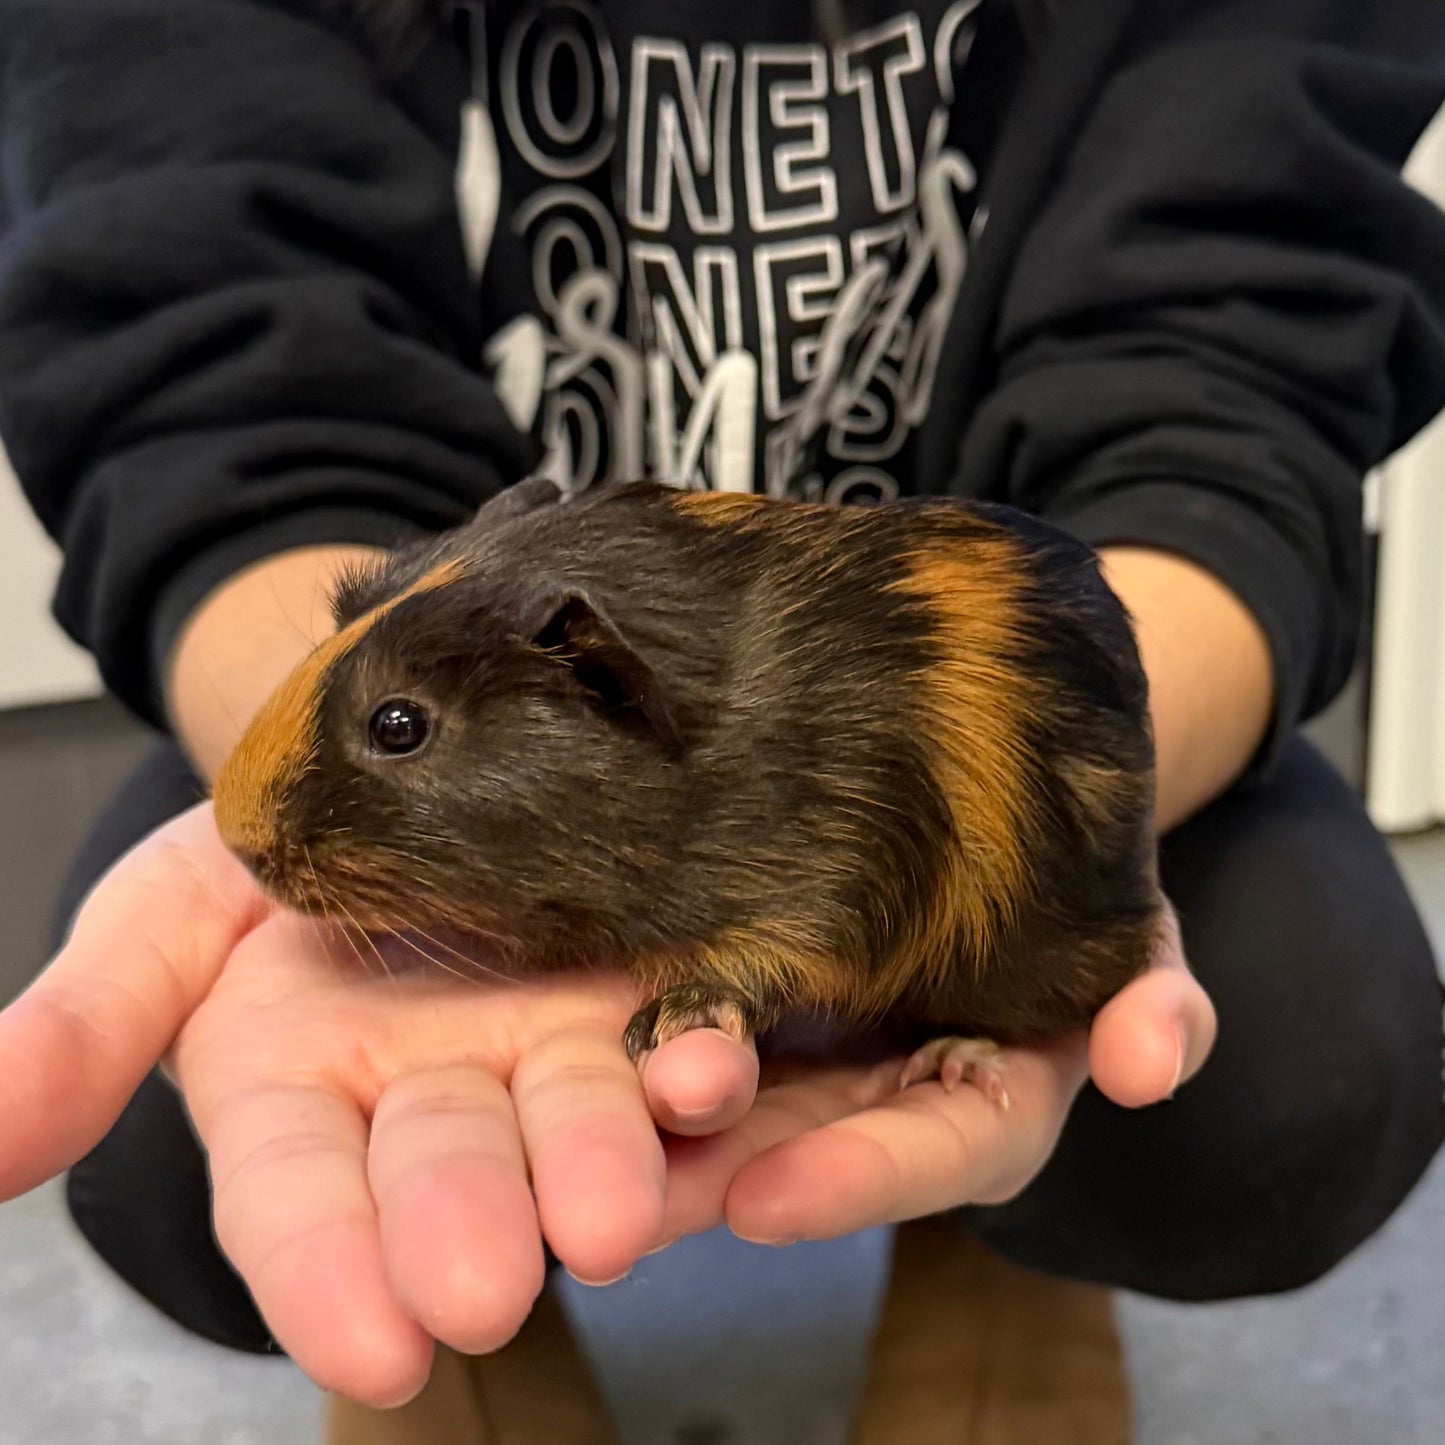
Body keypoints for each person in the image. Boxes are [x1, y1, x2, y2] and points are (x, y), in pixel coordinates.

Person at [1, 0, 1443, 1437]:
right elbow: (214, 354)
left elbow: (1231, 359)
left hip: (1126, 602)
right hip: (385, 527)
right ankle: (472, 1322)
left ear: (603, 683)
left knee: (1300, 1056)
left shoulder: (782, 776)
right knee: (160, 1132)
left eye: (401, 733)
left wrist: (750, 967)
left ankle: (1000, 1242)